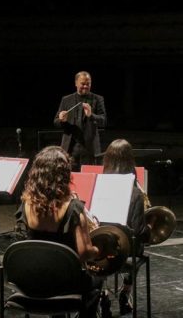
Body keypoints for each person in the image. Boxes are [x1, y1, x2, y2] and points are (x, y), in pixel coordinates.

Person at [19, 146, 103, 315]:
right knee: (98, 279)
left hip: (34, 280)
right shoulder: (72, 208)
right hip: (65, 283)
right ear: (64, 175)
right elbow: (84, 253)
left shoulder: (26, 204)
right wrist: (98, 250)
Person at [101, 139, 149, 316]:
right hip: (125, 252)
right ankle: (125, 292)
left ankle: (102, 293)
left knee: (100, 247)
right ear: (130, 161)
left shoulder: (97, 185)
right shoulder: (134, 191)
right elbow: (138, 231)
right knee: (139, 247)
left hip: (101, 248)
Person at [54, 71, 107, 168]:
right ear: (76, 83)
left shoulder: (98, 99)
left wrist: (91, 115)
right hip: (70, 149)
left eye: (88, 84)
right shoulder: (66, 100)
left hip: (90, 149)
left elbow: (103, 121)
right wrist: (62, 119)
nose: (86, 86)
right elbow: (56, 122)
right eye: (83, 84)